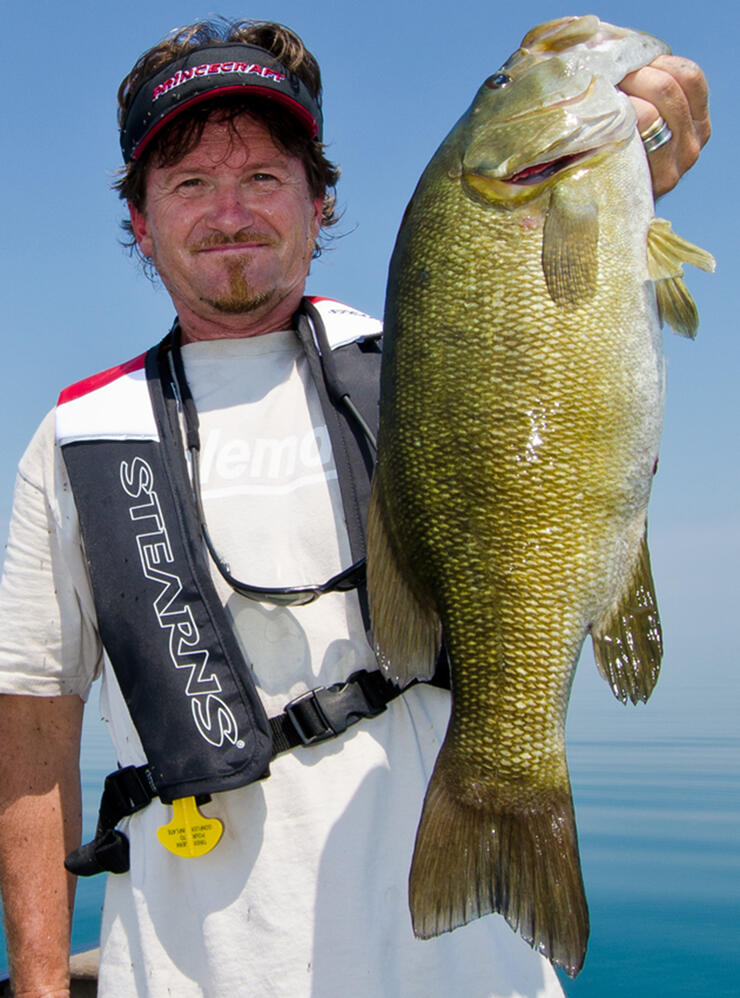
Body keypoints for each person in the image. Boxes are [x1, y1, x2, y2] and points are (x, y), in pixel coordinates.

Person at [0, 17, 710, 998]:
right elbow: (33, 733)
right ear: (140, 217)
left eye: (262, 176)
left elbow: (568, 363)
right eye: (189, 182)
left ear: (317, 199)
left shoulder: (420, 357)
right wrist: (37, 980)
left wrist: (622, 180)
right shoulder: (77, 436)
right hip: (190, 969)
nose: (229, 211)